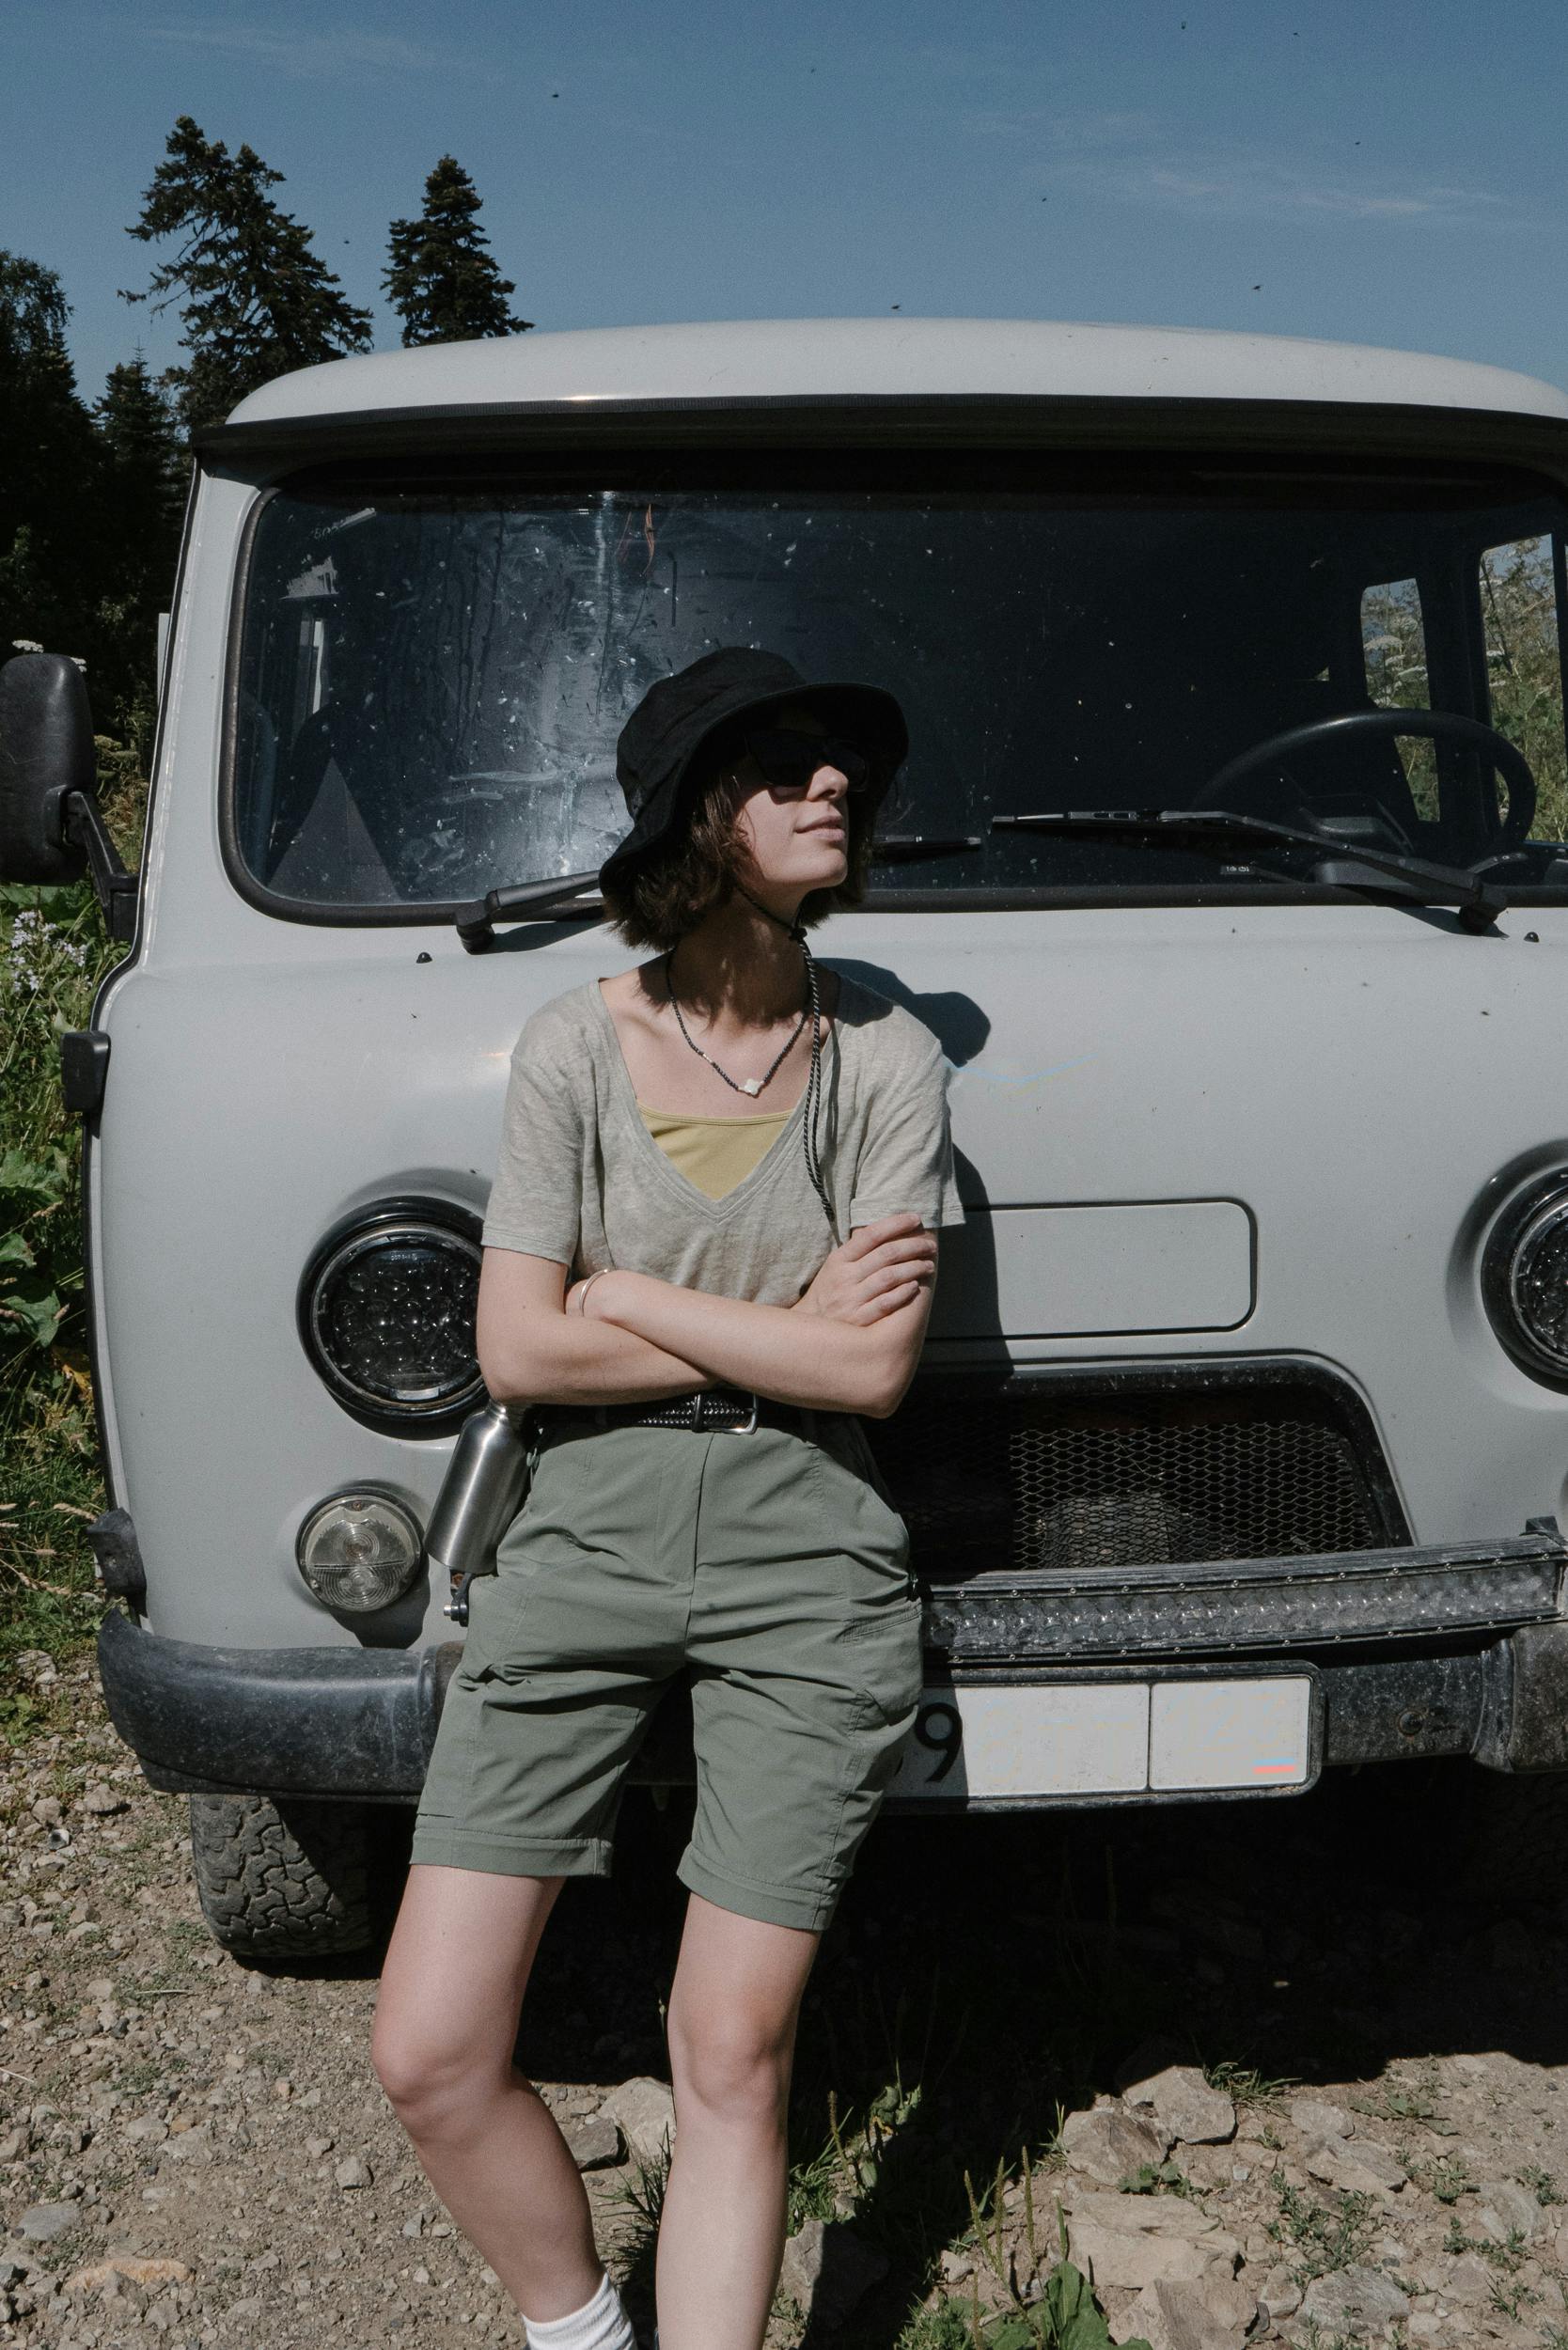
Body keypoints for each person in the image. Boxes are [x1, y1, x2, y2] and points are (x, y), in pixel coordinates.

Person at [370, 646, 966, 2350]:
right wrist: (767, 1328)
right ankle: (577, 2330)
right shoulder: (575, 1044)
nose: (830, 788)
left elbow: (868, 1379)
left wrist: (623, 1296)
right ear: (698, 821)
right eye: (783, 766)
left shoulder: (888, 1062)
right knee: (428, 2048)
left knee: (731, 2051)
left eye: (843, 766)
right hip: (582, 1545)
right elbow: (514, 1355)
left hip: (810, 1557)